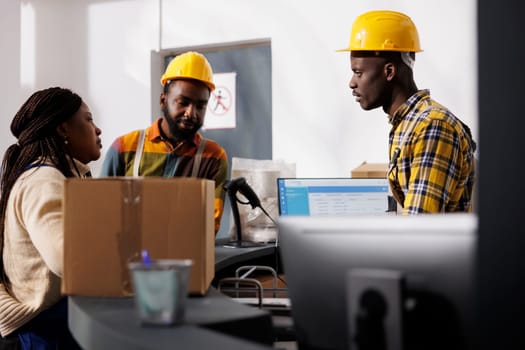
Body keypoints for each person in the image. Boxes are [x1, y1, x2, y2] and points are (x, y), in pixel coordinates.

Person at [338, 10, 476, 214]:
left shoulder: (432, 126)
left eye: (358, 72)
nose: (351, 83)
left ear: (389, 72)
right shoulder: (406, 124)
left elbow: (419, 228)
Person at [0, 87, 102, 348]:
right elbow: (68, 257)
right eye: (89, 120)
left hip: (52, 322)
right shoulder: (44, 178)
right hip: (45, 329)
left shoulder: (50, 174)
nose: (98, 130)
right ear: (63, 129)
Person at [100, 51, 228, 234]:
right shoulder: (124, 147)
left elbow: (208, 228)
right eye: (183, 102)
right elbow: (101, 213)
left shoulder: (213, 157)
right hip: (127, 258)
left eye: (201, 106)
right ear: (163, 100)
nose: (191, 113)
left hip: (186, 259)